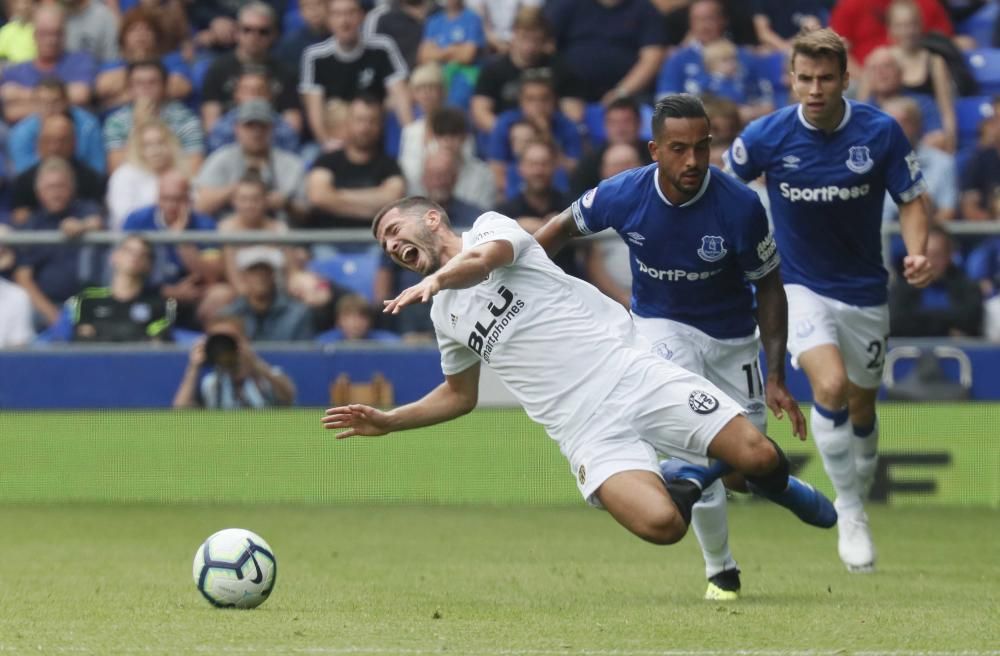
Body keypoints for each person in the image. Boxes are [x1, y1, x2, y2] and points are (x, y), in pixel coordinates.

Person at [323, 196, 836, 594]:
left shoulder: (488, 228)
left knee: (757, 457)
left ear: (433, 219)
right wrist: (390, 420)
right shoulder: (443, 315)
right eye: (384, 245)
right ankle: (689, 474)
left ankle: (776, 487)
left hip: (629, 373)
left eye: (394, 231)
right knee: (662, 525)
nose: (391, 246)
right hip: (584, 430)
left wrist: (437, 280)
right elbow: (459, 395)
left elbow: (484, 261)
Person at [534, 94, 805, 600]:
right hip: (661, 326)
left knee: (748, 466)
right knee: (693, 444)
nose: (693, 161)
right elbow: (554, 233)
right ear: (654, 149)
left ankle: (782, 487)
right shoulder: (622, 194)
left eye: (702, 147)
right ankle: (721, 570)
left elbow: (769, 285)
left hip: (732, 337)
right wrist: (524, 285)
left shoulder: (741, 206)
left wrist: (774, 375)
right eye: (679, 149)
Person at [723, 28, 933, 572]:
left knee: (862, 408)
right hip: (797, 285)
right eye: (804, 78)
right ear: (791, 80)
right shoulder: (766, 137)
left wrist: (916, 251)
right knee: (831, 386)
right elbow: (723, 190)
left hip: (864, 290)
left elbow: (911, 200)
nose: (814, 89)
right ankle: (853, 512)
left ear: (845, 79)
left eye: (825, 79)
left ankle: (855, 489)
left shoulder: (880, 133)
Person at [299, 0, 412, 149]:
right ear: (328, 19)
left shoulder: (382, 47)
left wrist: (411, 138)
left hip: (374, 130)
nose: (344, 21)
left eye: (350, 13)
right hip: (336, 137)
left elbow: (400, 96)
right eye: (337, 14)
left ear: (361, 16)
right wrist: (327, 143)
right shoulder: (314, 56)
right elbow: (314, 109)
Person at [13, 157, 103, 327]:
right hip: (47, 307)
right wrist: (53, 316)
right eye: (49, 188)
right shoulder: (32, 225)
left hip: (89, 302)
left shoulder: (85, 209)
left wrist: (82, 226)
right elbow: (23, 278)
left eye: (60, 186)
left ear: (72, 188)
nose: (55, 193)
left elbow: (98, 222)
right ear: (39, 192)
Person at [303, 95, 406, 231]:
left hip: (375, 242)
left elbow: (393, 199)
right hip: (328, 241)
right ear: (348, 123)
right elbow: (318, 196)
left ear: (380, 126)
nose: (365, 127)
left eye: (372, 121)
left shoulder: (390, 165)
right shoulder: (326, 161)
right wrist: (374, 205)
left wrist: (336, 196)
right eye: (360, 120)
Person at [47, 235, 175, 343]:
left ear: (150, 265)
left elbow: (154, 346)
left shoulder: (160, 304)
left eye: (143, 254)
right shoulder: (87, 298)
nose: (135, 257)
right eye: (129, 251)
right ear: (114, 257)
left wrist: (101, 331)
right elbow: (82, 341)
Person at [194, 99, 305, 222]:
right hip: (230, 236)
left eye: (262, 126)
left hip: (280, 236)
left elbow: (307, 211)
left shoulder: (291, 163)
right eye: (249, 126)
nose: (256, 132)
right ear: (237, 129)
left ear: (272, 129)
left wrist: (287, 204)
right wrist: (237, 191)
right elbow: (200, 206)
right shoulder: (221, 158)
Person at [199, 2, 301, 134]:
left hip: (274, 144)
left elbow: (292, 128)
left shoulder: (286, 72)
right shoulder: (217, 69)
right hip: (228, 143)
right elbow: (211, 126)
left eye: (263, 31)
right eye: (247, 29)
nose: (254, 36)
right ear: (236, 32)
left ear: (274, 35)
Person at [173, 314, 297, 408]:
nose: (225, 347)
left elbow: (289, 396)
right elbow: (180, 416)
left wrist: (254, 361)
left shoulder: (268, 376)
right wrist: (193, 368)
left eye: (230, 340)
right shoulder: (210, 384)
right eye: (218, 341)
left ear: (245, 340)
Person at [0, 4, 97, 123]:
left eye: (56, 33)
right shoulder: (17, 71)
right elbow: (12, 112)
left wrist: (23, 94)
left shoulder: (80, 61)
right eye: (45, 33)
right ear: (34, 35)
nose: (51, 40)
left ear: (65, 35)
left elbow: (81, 95)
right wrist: (64, 101)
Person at [102, 60, 204, 172]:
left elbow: (194, 168)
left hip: (173, 185)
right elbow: (117, 171)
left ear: (164, 87)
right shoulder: (116, 122)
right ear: (129, 89)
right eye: (139, 83)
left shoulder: (185, 119)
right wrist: (139, 126)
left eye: (153, 82)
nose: (146, 88)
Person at [10, 113, 105, 225]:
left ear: (74, 142)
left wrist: (83, 225)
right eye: (49, 141)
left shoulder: (91, 179)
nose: (55, 147)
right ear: (38, 143)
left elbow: (97, 218)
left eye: (62, 140)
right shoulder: (23, 182)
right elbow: (18, 218)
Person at [889, 227, 982, 337]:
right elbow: (896, 323)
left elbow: (970, 321)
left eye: (937, 255)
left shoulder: (968, 287)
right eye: (926, 255)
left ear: (949, 256)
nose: (931, 262)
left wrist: (918, 320)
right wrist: (946, 329)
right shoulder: (902, 287)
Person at [7, 77, 105, 175]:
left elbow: (97, 169)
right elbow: (23, 174)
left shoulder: (88, 126)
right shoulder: (20, 133)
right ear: (34, 104)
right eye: (42, 102)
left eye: (55, 102)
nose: (49, 108)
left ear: (67, 101)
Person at [220, 246, 314, 342]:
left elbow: (304, 355)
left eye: (266, 271)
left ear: (274, 275)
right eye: (253, 271)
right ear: (244, 276)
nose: (260, 277)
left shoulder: (299, 314)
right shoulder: (229, 315)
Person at [106, 119, 184, 231]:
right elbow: (124, 216)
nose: (156, 150)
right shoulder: (124, 175)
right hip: (132, 239)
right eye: (147, 145)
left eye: (161, 143)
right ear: (138, 149)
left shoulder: (180, 174)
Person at [316, 293, 402, 343]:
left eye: (361, 316)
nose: (355, 323)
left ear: (369, 320)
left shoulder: (387, 343)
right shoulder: (324, 344)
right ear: (338, 321)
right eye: (348, 316)